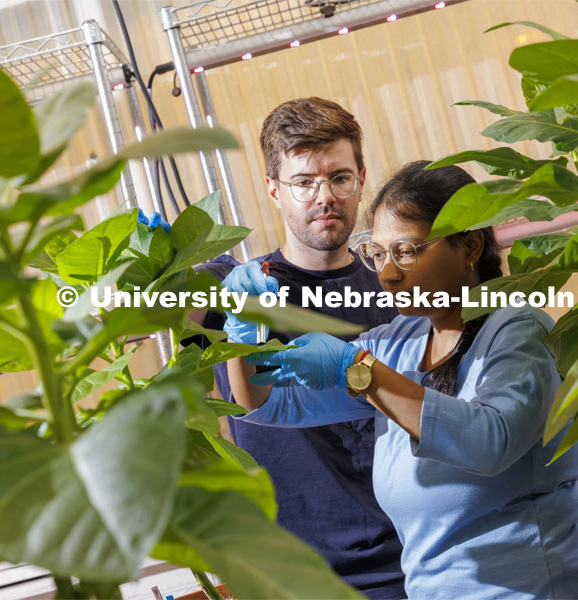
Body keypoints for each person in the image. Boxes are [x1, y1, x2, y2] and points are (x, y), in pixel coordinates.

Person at [224, 162, 578, 599]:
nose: (387, 274)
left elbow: (489, 442)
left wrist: (354, 368)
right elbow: (267, 404)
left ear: (470, 246)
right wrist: (243, 329)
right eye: (378, 254)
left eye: (406, 251)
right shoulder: (398, 344)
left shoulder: (519, 332)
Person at [197, 98, 406, 598]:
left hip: (404, 562)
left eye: (339, 178)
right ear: (274, 189)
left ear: (360, 178)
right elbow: (120, 314)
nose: (324, 196)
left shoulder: (396, 292)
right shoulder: (231, 287)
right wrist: (153, 269)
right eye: (304, 182)